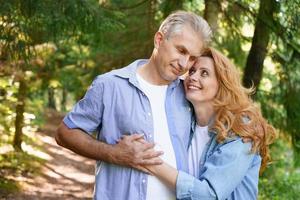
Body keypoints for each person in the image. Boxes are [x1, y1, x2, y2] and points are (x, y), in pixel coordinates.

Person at [55, 11, 212, 200]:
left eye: (193, 58)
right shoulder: (110, 85)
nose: (184, 64)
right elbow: (64, 133)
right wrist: (113, 154)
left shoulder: (189, 95)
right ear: (159, 40)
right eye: (181, 50)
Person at [123, 47, 276, 199]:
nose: (193, 77)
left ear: (222, 83)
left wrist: (148, 161)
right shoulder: (185, 124)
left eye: (204, 73)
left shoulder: (240, 130)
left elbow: (209, 194)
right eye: (192, 71)